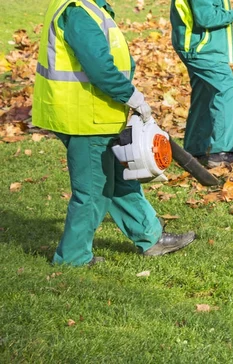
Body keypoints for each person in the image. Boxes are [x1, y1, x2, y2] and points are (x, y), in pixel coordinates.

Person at [32, 0, 196, 267]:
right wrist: (130, 96)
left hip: (98, 113)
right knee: (93, 190)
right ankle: (72, 258)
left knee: (121, 178)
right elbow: (99, 67)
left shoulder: (89, 7)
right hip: (84, 118)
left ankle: (150, 237)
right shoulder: (78, 12)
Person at [170, 0, 233, 168]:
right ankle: (222, 153)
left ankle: (194, 151)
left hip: (199, 47)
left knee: (204, 94)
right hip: (201, 49)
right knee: (226, 90)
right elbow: (206, 17)